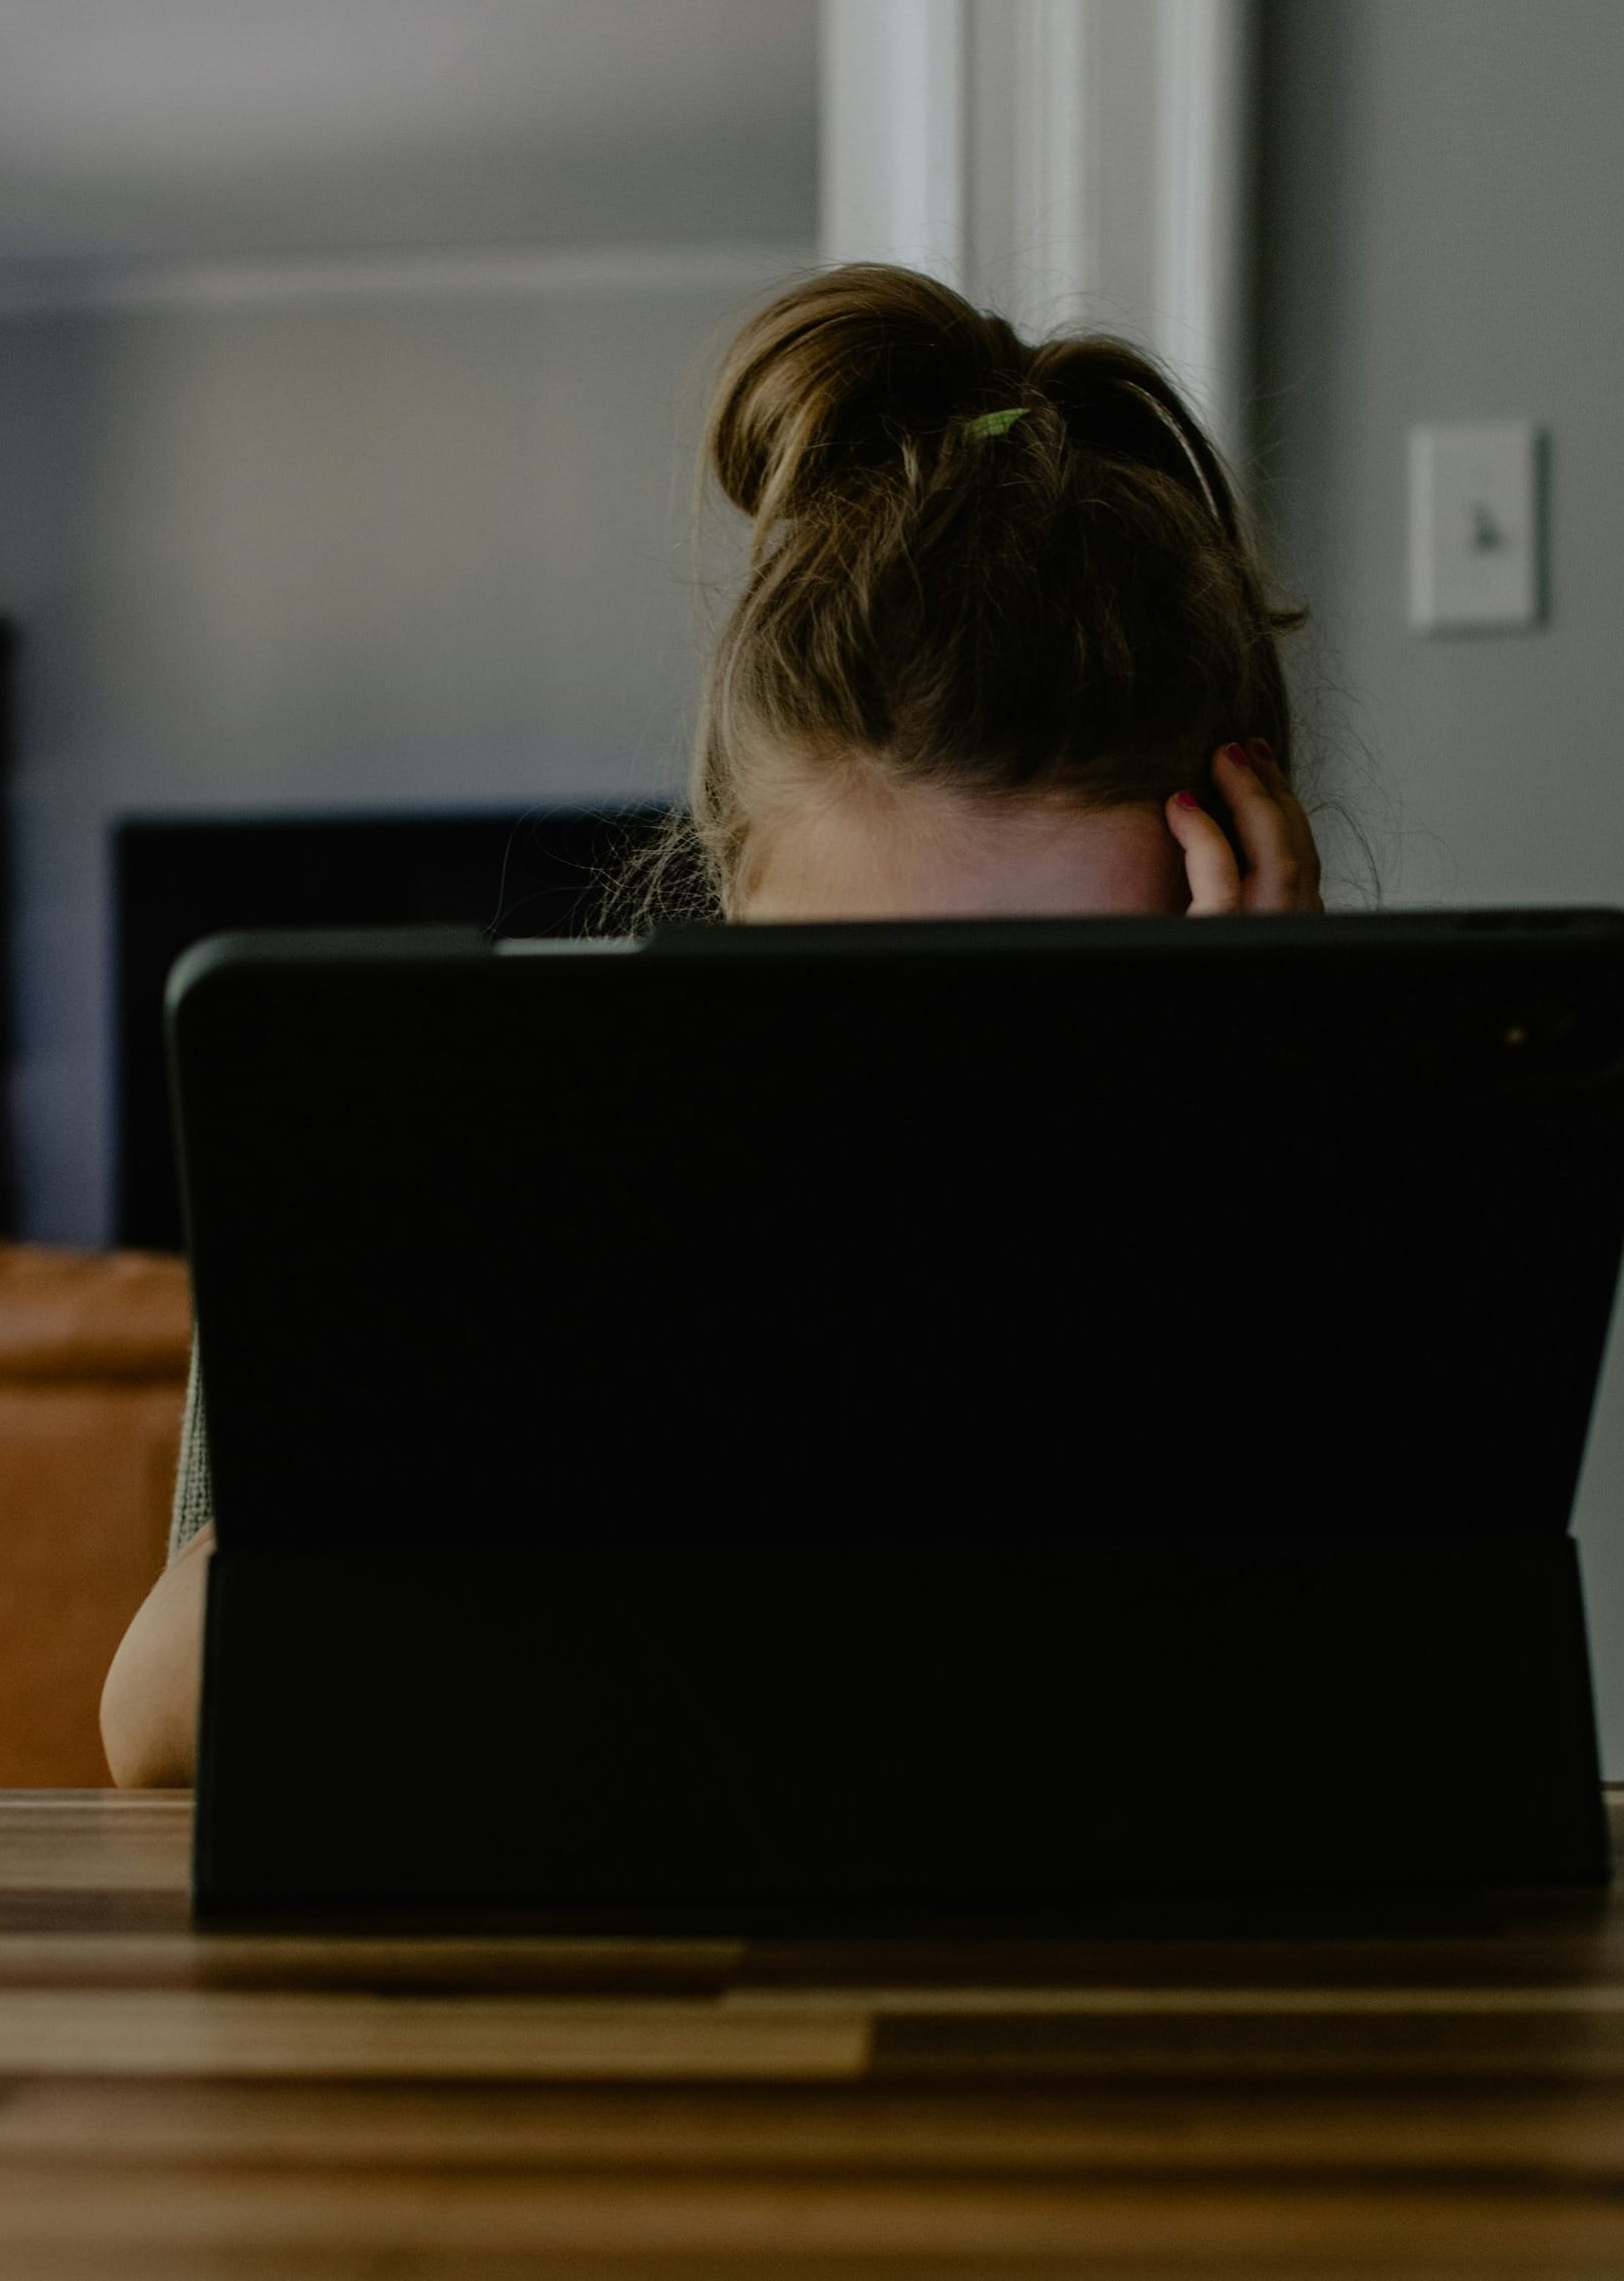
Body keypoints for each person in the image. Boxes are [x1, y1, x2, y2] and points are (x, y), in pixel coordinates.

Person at [98, 262, 1324, 1788]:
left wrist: (1261, 1112)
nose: (936, 1099)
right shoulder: (495, 1177)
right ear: (732, 898)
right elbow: (152, 1726)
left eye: (1057, 1005)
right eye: (856, 1007)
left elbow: (1350, 1715)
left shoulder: (1271, 1204)